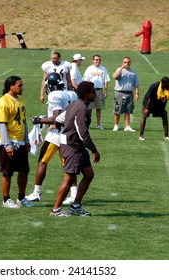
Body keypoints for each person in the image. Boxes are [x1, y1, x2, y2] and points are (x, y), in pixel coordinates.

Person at [26, 73, 78, 205]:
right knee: (68, 166)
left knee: (42, 162)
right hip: (69, 134)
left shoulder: (55, 95)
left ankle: (36, 193)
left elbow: (56, 117)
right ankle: (74, 194)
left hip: (56, 135)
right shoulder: (71, 94)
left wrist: (39, 120)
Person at [50, 81, 100, 217]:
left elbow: (59, 119)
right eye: (93, 92)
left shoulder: (74, 104)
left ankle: (76, 206)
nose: (95, 94)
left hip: (76, 146)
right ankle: (56, 209)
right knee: (69, 178)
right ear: (86, 94)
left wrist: (63, 129)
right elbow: (82, 133)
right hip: (73, 147)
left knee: (89, 175)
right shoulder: (82, 108)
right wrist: (94, 150)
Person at [0, 75, 35, 208]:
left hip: (21, 141)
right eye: (19, 85)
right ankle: (6, 200)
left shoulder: (20, 100)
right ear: (11, 86)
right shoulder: (3, 102)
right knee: (7, 171)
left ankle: (21, 198)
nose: (22, 87)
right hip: (9, 141)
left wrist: (27, 139)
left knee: (24, 170)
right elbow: (1, 125)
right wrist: (7, 145)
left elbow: (23, 121)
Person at [139, 76, 169, 141]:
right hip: (148, 102)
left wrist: (163, 109)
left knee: (164, 115)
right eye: (168, 84)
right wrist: (146, 109)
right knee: (144, 116)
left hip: (159, 102)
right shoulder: (154, 87)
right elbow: (150, 99)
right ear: (163, 84)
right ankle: (141, 135)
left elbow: (166, 99)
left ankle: (166, 136)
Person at [112, 56, 140, 132]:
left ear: (130, 63)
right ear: (122, 62)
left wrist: (137, 93)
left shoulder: (133, 72)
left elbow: (136, 84)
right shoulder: (119, 69)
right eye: (125, 62)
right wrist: (121, 68)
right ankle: (116, 125)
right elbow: (115, 76)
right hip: (119, 92)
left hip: (129, 93)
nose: (126, 64)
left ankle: (127, 126)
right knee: (118, 110)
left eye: (128, 62)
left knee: (128, 110)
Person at [82, 54, 110, 129]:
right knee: (89, 108)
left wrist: (106, 91)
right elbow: (85, 80)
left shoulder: (103, 69)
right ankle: (89, 124)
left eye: (99, 60)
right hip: (91, 91)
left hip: (100, 90)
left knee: (99, 108)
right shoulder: (89, 69)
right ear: (93, 60)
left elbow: (106, 80)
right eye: (96, 59)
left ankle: (98, 124)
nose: (98, 61)